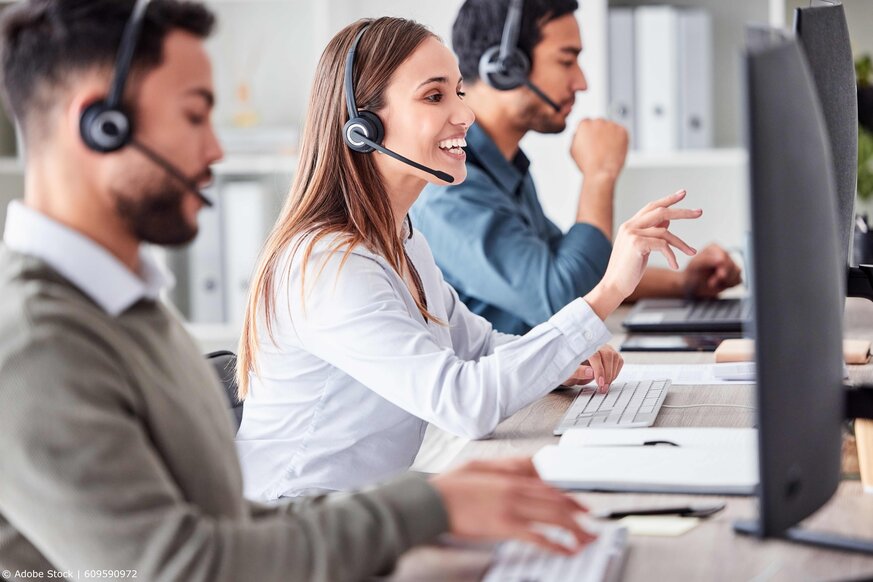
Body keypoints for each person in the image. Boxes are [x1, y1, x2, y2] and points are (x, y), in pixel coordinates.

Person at [0, 1, 606, 579]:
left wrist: (431, 514)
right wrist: (429, 508)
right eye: (193, 115)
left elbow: (230, 530)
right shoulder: (37, 344)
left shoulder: (124, 311)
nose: (215, 149)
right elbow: (181, 567)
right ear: (100, 127)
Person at [234, 16, 701, 500]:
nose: (465, 114)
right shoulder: (329, 267)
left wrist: (561, 361)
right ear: (362, 127)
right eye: (435, 96)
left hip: (361, 505)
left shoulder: (402, 237)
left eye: (459, 92)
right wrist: (607, 294)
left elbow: (479, 346)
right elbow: (461, 402)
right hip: (296, 519)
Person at [410, 0, 743, 334]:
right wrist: (599, 174)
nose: (581, 82)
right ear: (506, 67)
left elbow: (581, 272)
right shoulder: (450, 189)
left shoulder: (502, 166)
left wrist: (683, 283)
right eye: (567, 60)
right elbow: (564, 301)